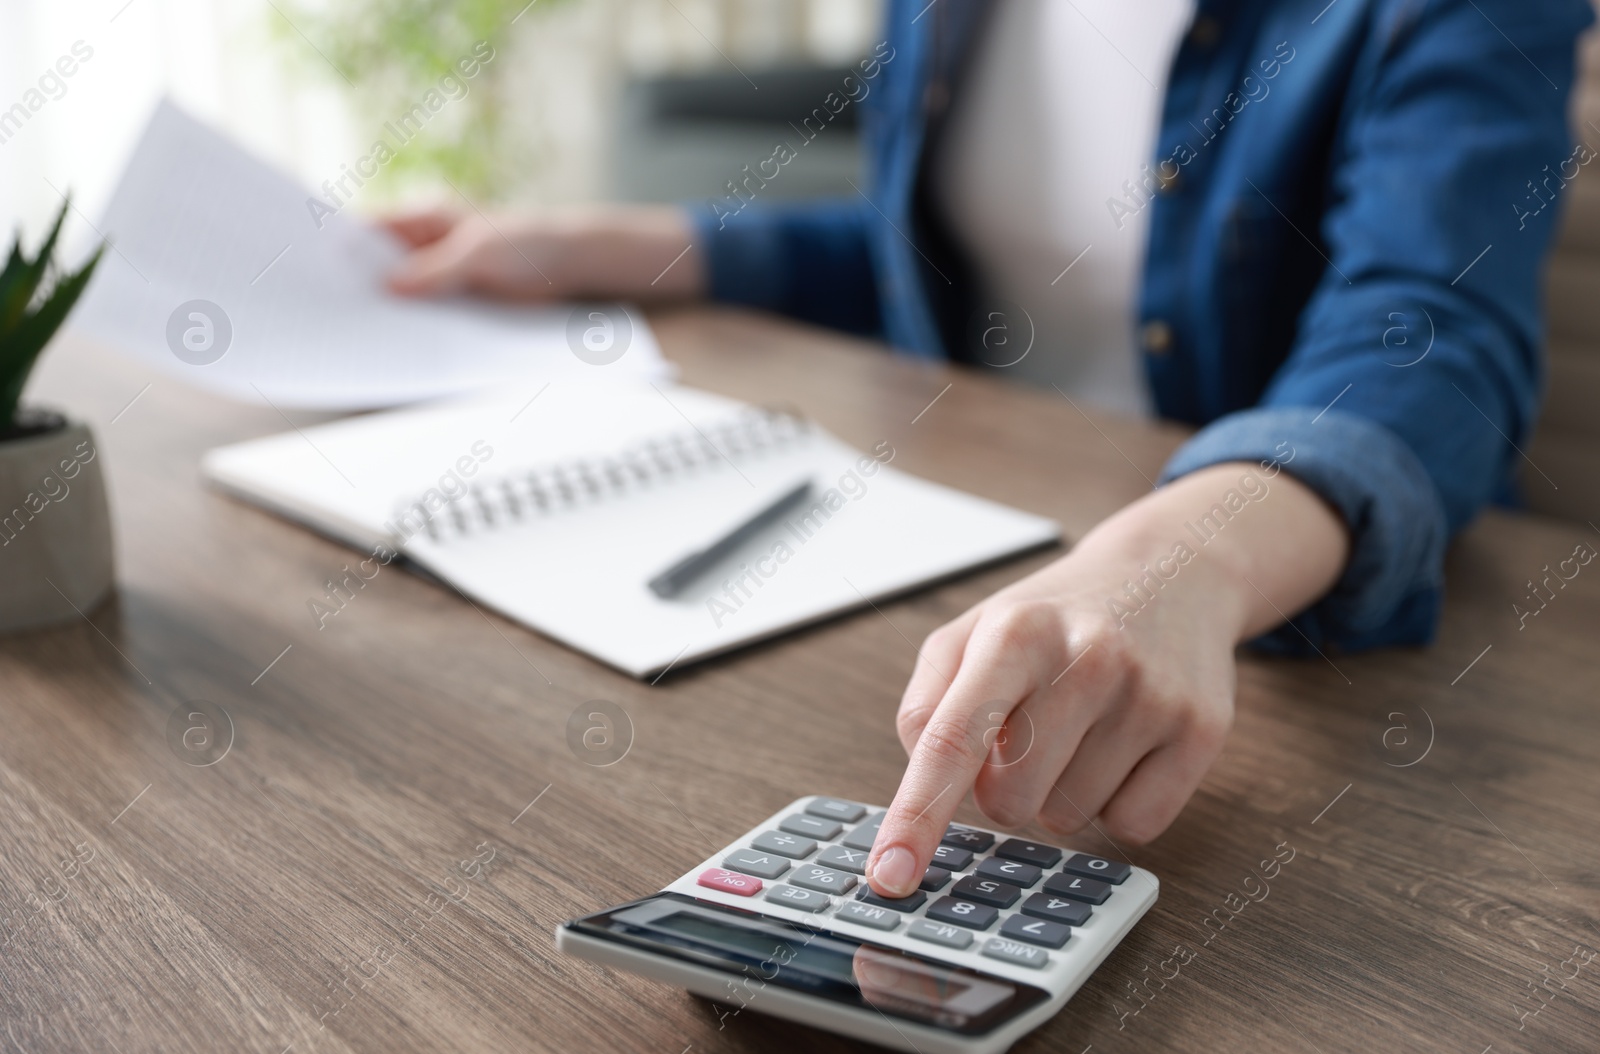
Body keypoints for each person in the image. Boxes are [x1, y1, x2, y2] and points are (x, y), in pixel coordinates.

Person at [384, 0, 1594, 900]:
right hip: (952, 528)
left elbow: (1436, 332)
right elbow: (946, 244)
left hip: (1284, 623)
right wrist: (608, 241)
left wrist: (1193, 553)